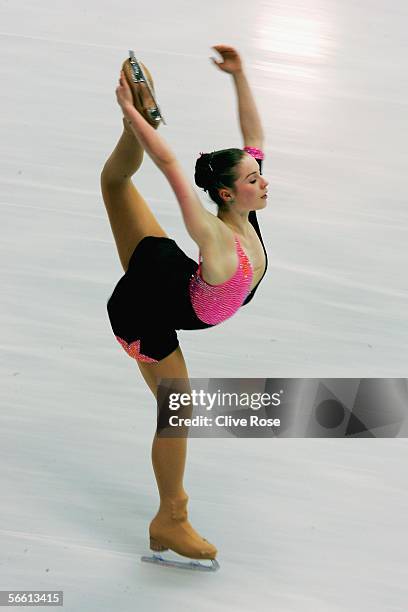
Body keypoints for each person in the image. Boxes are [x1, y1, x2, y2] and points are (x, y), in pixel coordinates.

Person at [100, 45, 269, 564]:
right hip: (147, 312)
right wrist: (130, 111)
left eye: (257, 174)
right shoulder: (217, 238)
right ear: (224, 193)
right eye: (251, 179)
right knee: (178, 408)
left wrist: (239, 78)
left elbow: (254, 139)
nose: (262, 181)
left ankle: (130, 132)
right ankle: (170, 517)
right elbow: (170, 163)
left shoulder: (241, 213)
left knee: (115, 183)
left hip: (167, 274)